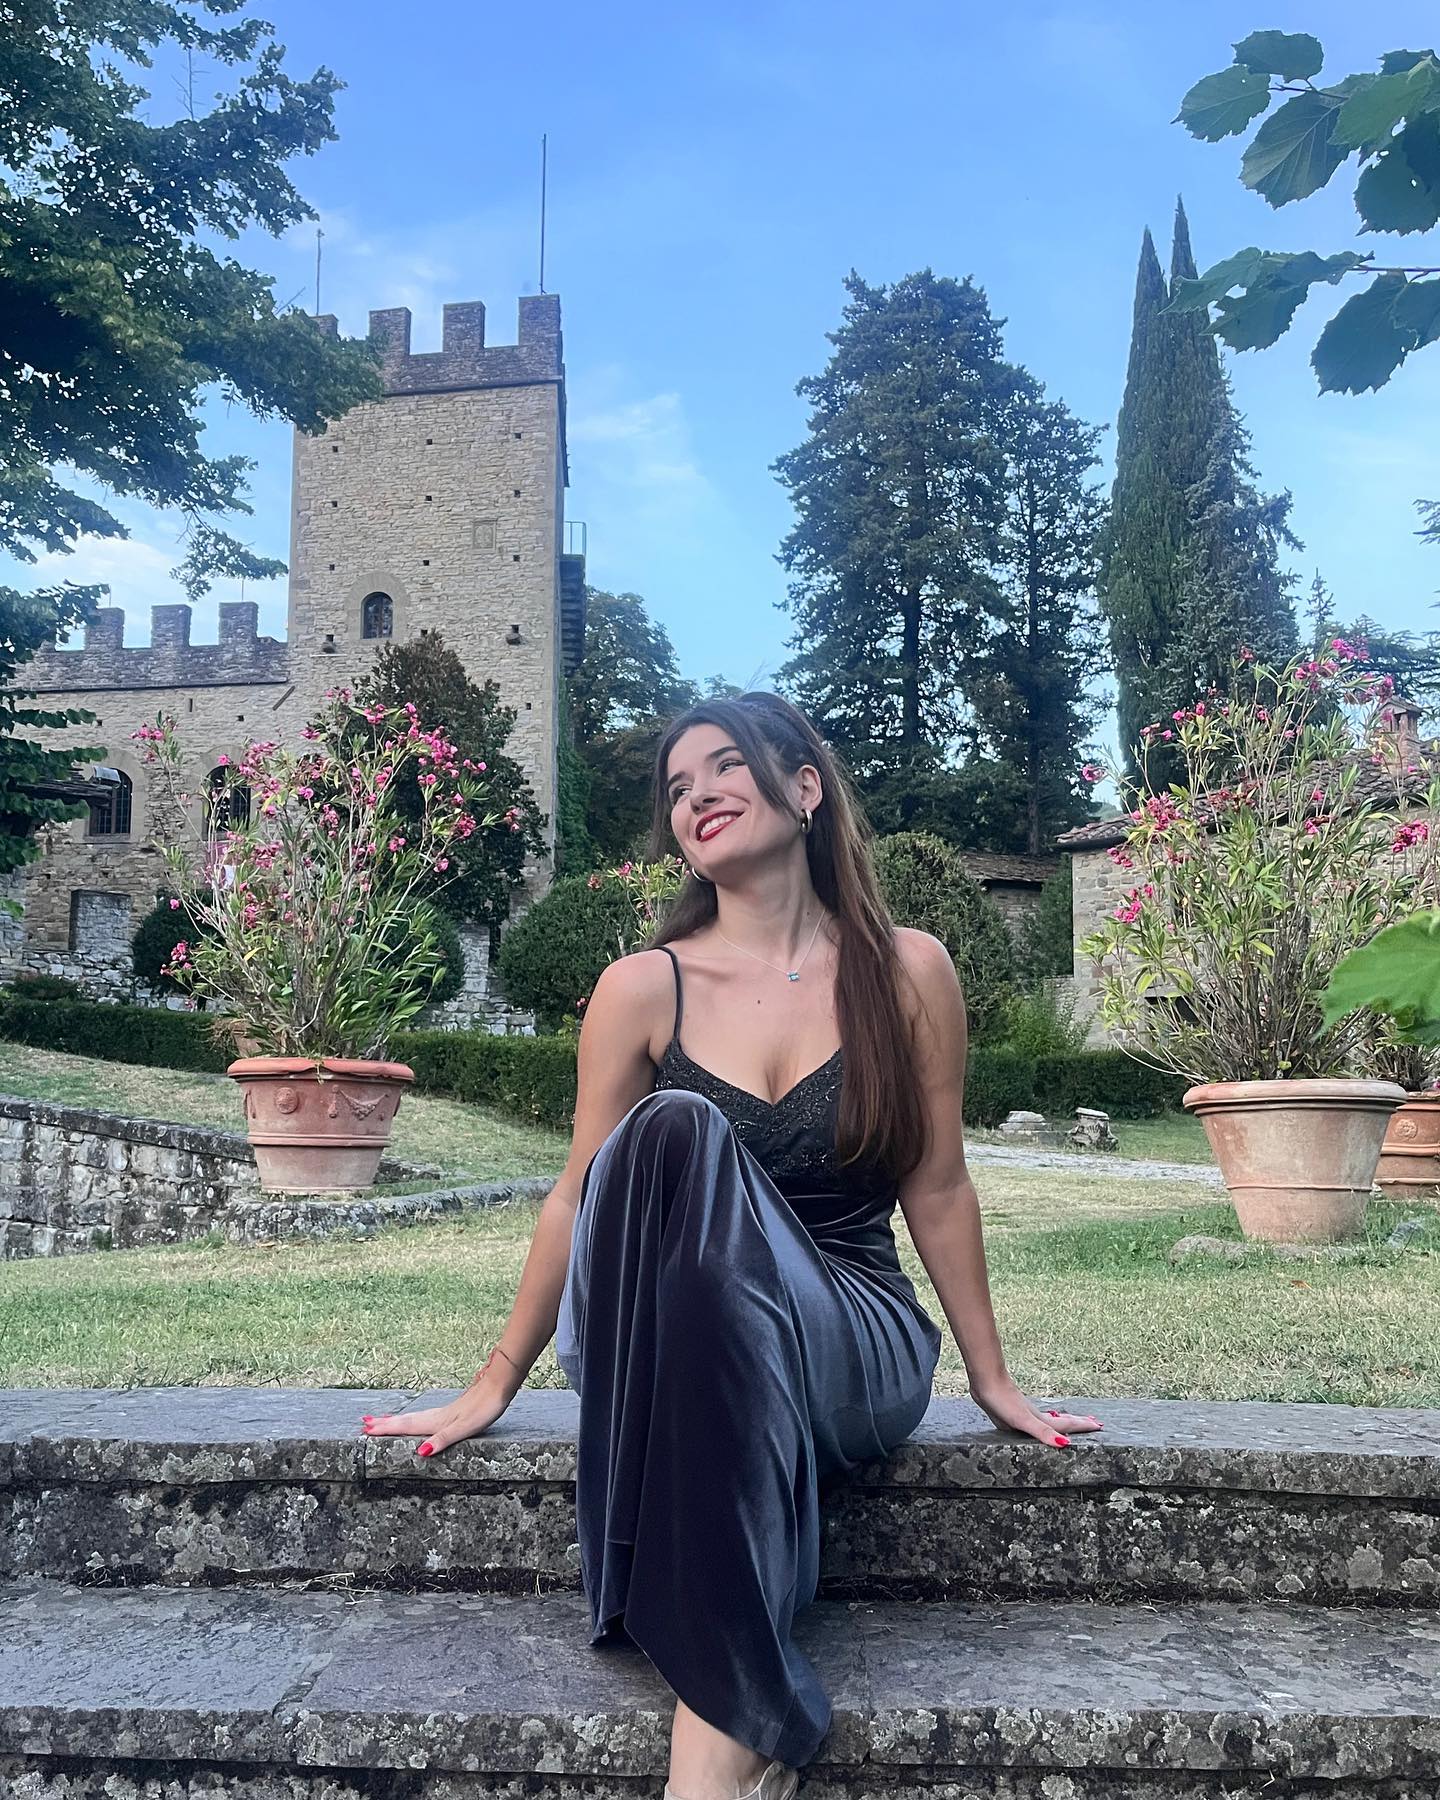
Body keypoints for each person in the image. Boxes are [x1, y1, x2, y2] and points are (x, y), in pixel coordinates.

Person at [362, 693, 1104, 1800]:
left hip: (851, 1329)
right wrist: (495, 1379)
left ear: (805, 788)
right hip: (684, 1332)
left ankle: (722, 1730)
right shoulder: (642, 988)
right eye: (676, 787)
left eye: (723, 767)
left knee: (688, 1156)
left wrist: (991, 1376)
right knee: (674, 1131)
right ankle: (739, 1728)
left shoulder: (909, 971)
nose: (696, 795)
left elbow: (940, 1184)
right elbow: (575, 1196)